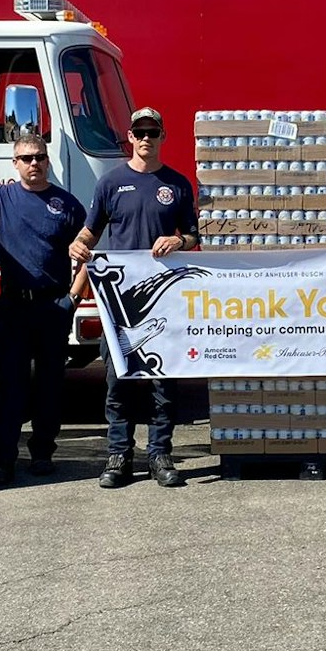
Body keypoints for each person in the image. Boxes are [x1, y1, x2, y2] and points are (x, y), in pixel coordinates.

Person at [0, 132, 86, 490]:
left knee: (50, 386)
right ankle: (3, 458)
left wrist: (73, 300)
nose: (34, 163)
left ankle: (42, 453)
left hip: (53, 305)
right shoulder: (1, 196)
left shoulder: (67, 204)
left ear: (47, 161)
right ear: (15, 164)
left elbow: (90, 251)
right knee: (10, 387)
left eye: (39, 157)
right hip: (13, 307)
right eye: (26, 158)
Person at [69, 106, 200, 489]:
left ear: (163, 137)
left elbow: (194, 236)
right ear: (130, 137)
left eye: (153, 133)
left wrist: (179, 240)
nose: (146, 139)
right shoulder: (110, 183)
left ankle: (160, 454)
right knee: (118, 382)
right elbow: (90, 233)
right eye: (139, 132)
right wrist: (77, 246)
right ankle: (119, 457)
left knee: (164, 382)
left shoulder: (176, 184)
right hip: (119, 303)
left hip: (165, 302)